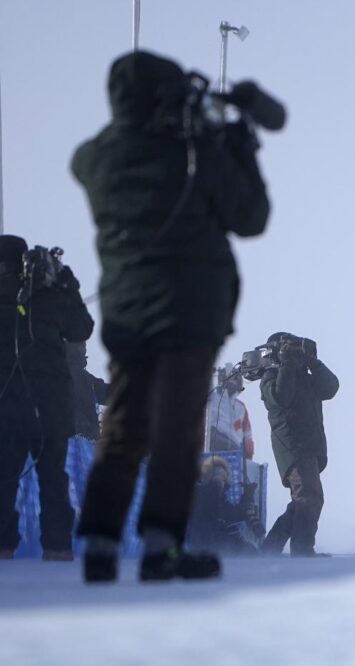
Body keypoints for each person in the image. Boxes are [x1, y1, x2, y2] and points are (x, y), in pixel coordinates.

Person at [71, 50, 270, 583]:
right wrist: (237, 147)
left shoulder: (98, 157)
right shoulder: (193, 152)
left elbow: (85, 160)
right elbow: (251, 217)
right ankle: (162, 546)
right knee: (179, 428)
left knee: (122, 425)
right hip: (189, 311)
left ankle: (99, 544)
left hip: (127, 310)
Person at [0, 235, 95, 561]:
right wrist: (68, 286)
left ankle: (3, 548)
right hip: (50, 407)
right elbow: (81, 329)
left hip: (6, 407)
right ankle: (57, 547)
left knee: (3, 479)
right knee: (54, 479)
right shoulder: (48, 293)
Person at [260, 333, 339, 557]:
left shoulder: (304, 376)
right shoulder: (271, 375)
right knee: (309, 497)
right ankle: (302, 550)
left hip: (308, 446)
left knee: (303, 500)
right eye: (288, 347)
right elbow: (280, 398)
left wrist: (313, 362)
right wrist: (285, 364)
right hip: (293, 447)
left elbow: (331, 388)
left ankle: (270, 548)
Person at [186, 455, 262, 555]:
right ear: (210, 476)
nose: (222, 480)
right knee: (250, 551)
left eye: (223, 476)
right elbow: (228, 514)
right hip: (209, 542)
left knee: (248, 549)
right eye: (219, 475)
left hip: (203, 541)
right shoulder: (210, 492)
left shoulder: (208, 493)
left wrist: (247, 497)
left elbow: (231, 512)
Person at [205, 365, 255, 459]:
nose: (233, 382)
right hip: (214, 438)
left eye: (236, 378)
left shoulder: (240, 407)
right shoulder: (213, 398)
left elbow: (247, 435)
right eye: (230, 378)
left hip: (234, 446)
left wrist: (248, 456)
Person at [65, 341, 109, 442]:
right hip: (81, 440)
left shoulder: (87, 378)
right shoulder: (83, 378)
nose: (84, 347)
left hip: (80, 441)